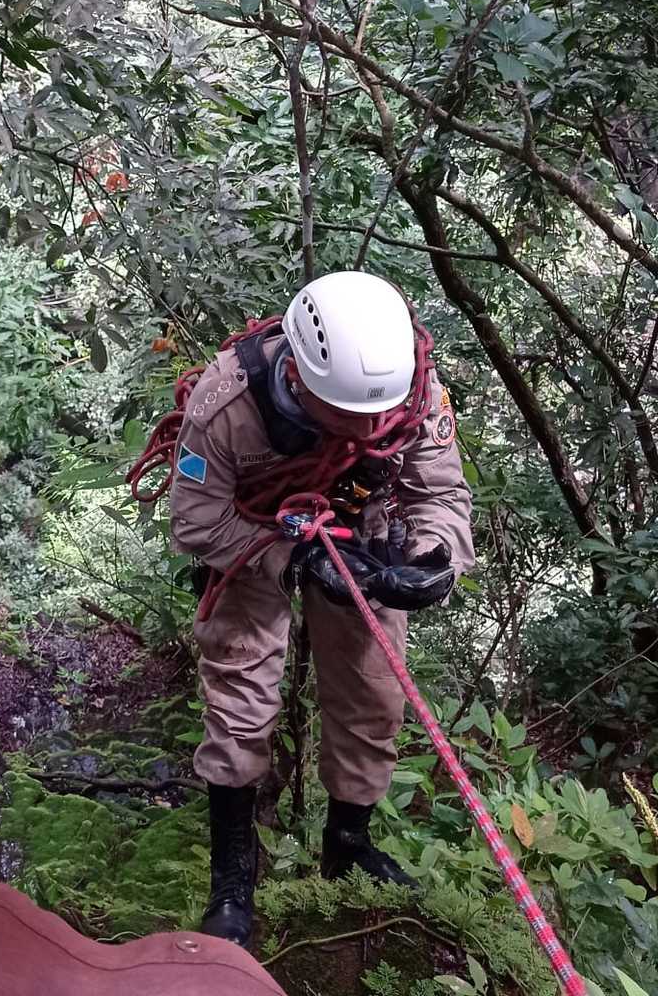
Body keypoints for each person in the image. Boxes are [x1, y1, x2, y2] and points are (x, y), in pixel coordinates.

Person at [167, 271, 474, 948]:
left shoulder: (415, 392)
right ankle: (233, 878)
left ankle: (347, 844)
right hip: (251, 535)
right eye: (350, 416)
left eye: (377, 416)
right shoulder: (228, 403)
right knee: (242, 694)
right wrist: (295, 559)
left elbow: (441, 493)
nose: (368, 429)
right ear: (302, 380)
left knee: (373, 691)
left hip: (363, 528)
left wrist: (429, 558)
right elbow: (197, 521)